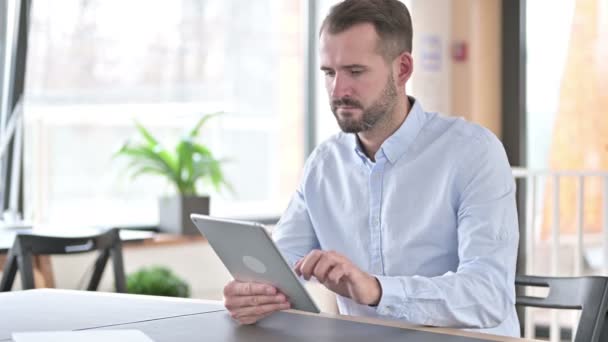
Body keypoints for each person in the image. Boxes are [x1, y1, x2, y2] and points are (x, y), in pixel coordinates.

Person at [223, 0, 520, 337]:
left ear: (403, 69)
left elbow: (489, 294)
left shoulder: (474, 153)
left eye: (355, 71)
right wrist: (253, 295)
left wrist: (378, 290)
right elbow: (281, 267)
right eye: (329, 73)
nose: (338, 90)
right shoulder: (324, 164)